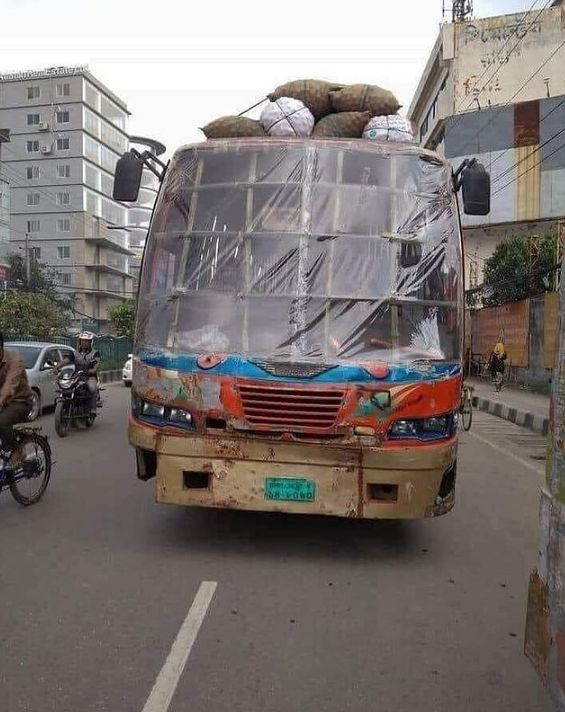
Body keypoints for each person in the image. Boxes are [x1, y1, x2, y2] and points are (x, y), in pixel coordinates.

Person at [0, 332, 34, 464]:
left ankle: (17, 451)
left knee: (2, 422)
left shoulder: (15, 361)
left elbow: (9, 385)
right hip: (5, 403)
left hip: (21, 402)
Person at [61, 332, 101, 415]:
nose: (84, 343)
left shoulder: (95, 353)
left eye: (86, 341)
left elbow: (96, 366)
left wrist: (91, 370)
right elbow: (66, 360)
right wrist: (56, 367)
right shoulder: (75, 353)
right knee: (67, 387)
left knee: (92, 388)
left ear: (90, 342)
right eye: (82, 341)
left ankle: (93, 408)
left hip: (90, 377)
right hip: (76, 377)